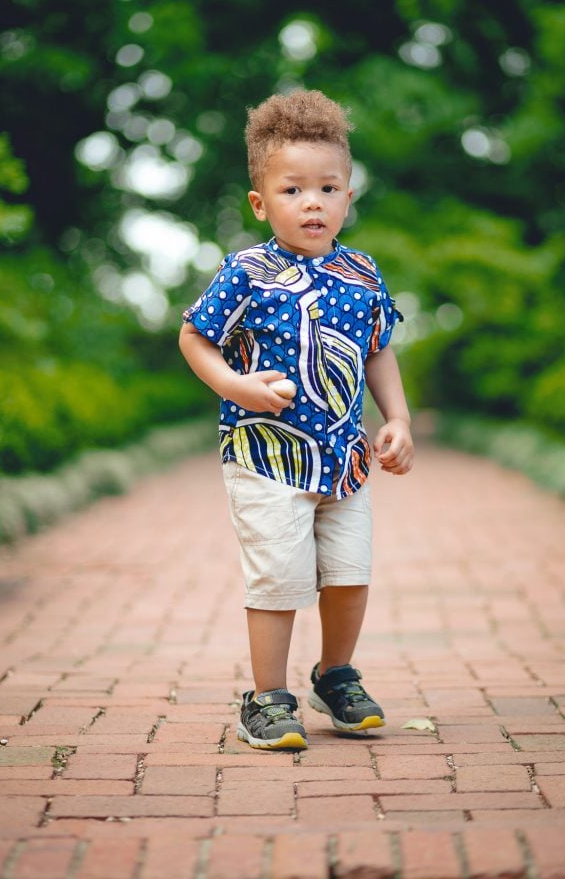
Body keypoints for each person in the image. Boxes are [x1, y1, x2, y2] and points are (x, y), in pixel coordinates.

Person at [179, 89, 414, 750]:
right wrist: (234, 385)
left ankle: (334, 675)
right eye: (292, 190)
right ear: (261, 202)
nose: (311, 202)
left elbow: (378, 348)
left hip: (344, 459)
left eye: (327, 188)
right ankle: (266, 698)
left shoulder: (361, 272)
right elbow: (194, 336)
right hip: (265, 456)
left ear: (346, 197)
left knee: (349, 574)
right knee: (278, 578)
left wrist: (397, 418)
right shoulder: (246, 271)